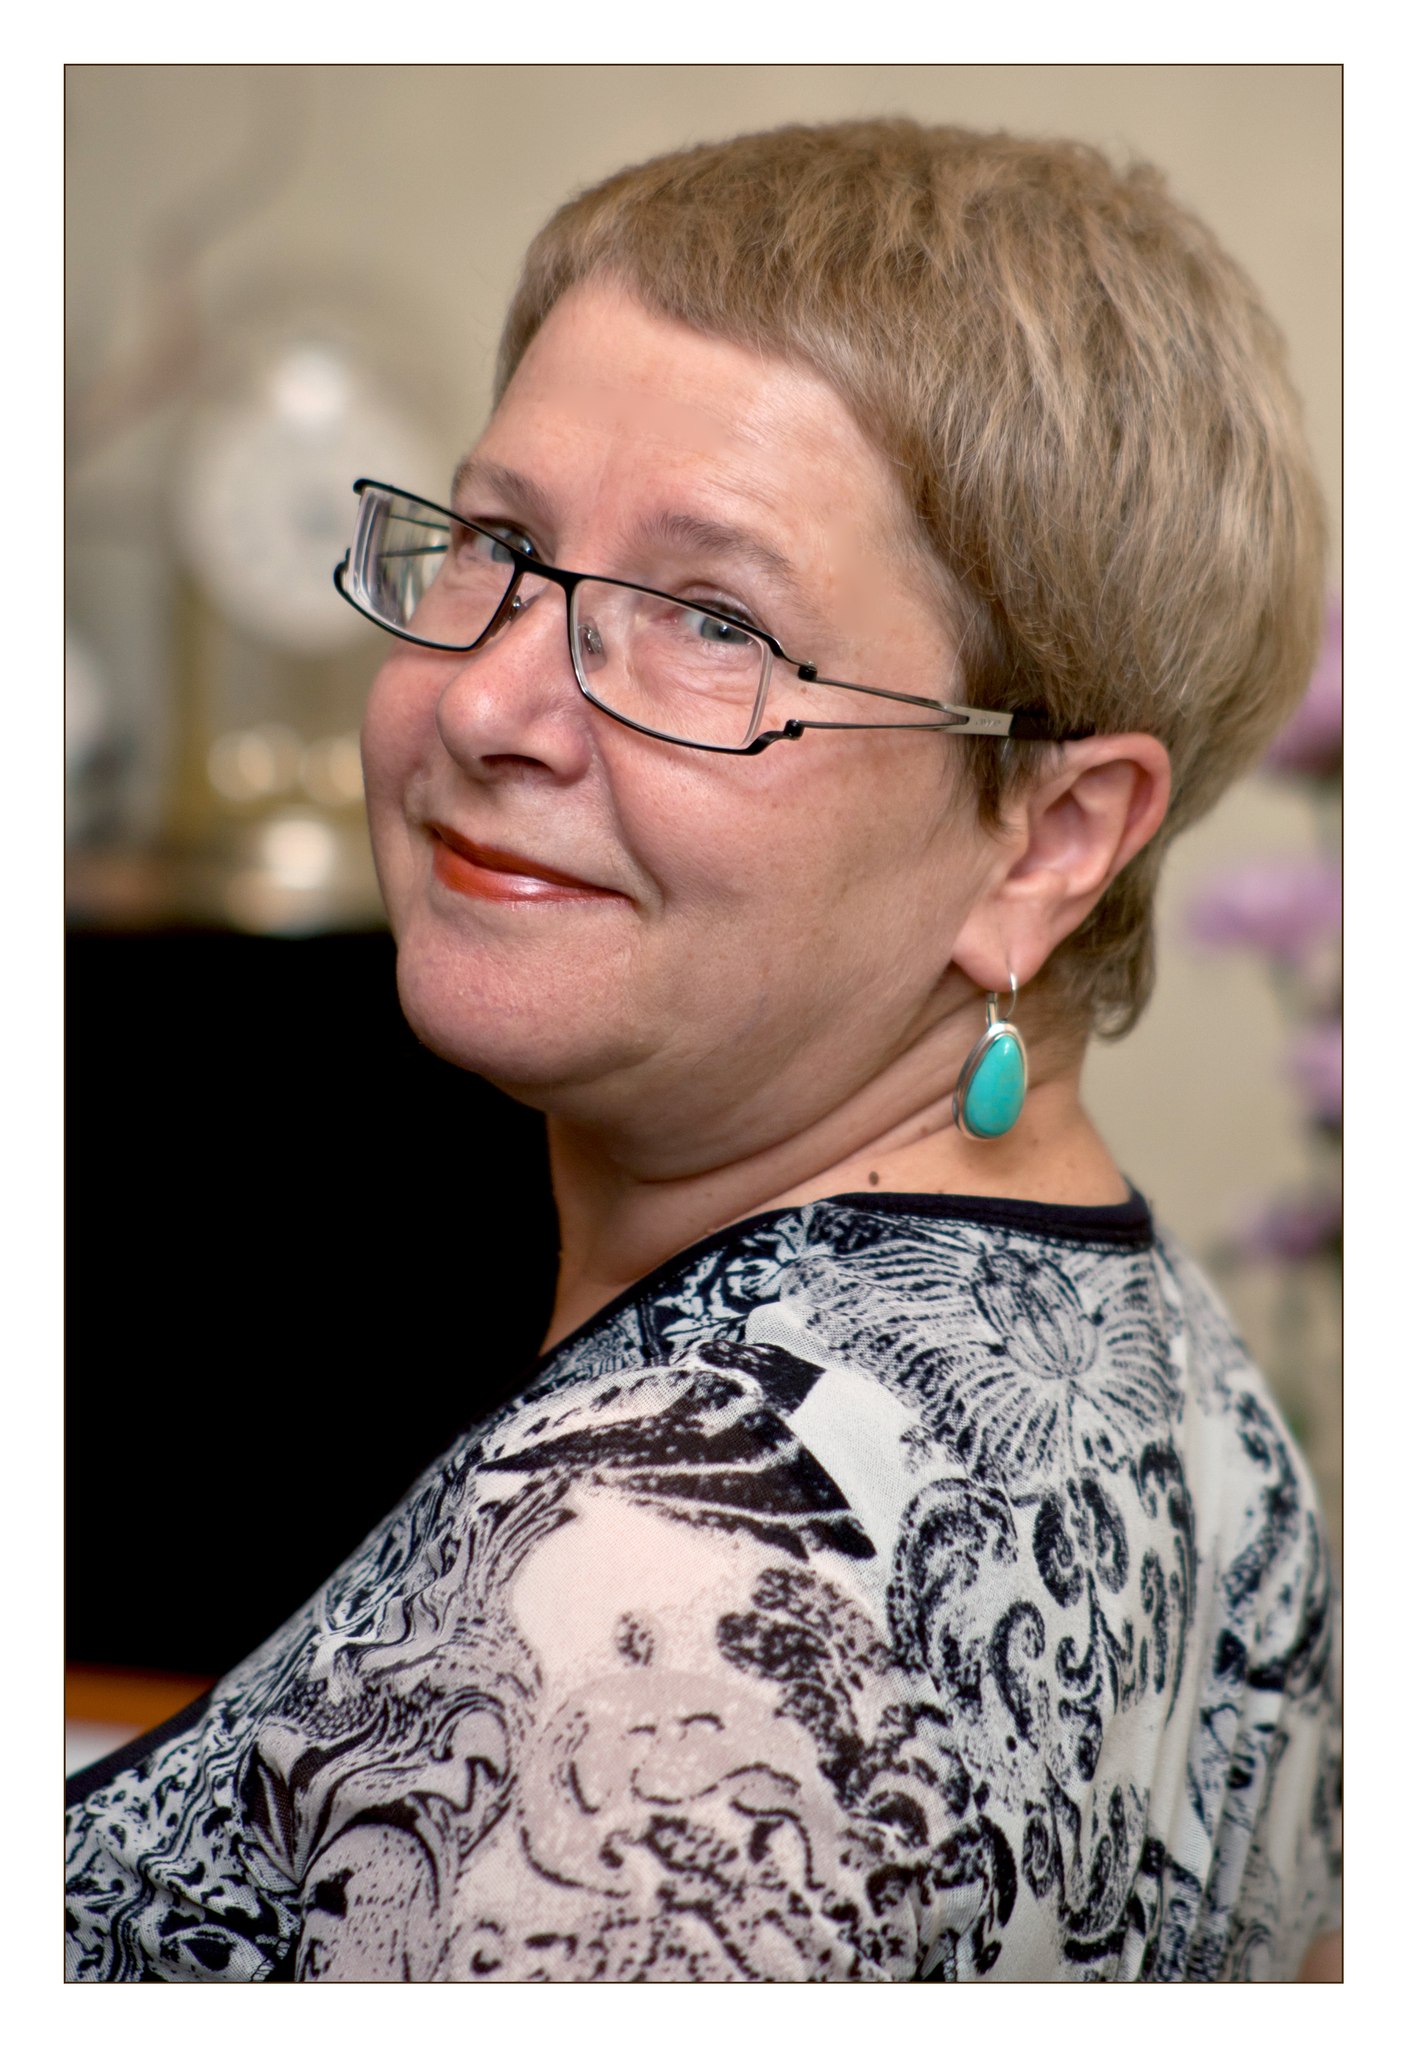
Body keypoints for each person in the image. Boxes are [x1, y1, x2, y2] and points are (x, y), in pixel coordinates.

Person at [65, 117, 1341, 1983]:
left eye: (713, 623)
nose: (491, 704)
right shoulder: (1197, 1401)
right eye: (499, 545)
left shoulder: (649, 1638)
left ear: (1047, 842)